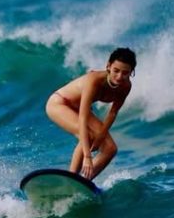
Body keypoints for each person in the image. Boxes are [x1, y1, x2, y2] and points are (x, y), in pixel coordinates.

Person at [46, 47, 136, 180]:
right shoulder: (93, 80)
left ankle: (83, 181)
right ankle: (71, 179)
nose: (119, 76)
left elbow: (112, 113)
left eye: (125, 73)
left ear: (131, 72)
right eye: (116, 70)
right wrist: (87, 157)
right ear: (108, 66)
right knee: (87, 136)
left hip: (81, 109)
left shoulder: (125, 87)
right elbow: (83, 117)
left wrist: (100, 137)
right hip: (60, 103)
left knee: (110, 148)